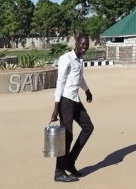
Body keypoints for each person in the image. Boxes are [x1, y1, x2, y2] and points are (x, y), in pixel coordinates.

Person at [50, 34, 94, 183]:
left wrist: (87, 90)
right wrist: (56, 107)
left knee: (88, 127)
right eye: (82, 44)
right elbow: (60, 81)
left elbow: (79, 78)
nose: (84, 47)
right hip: (65, 101)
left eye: (86, 45)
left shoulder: (80, 60)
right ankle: (59, 171)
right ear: (76, 43)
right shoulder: (66, 58)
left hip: (75, 99)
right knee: (66, 136)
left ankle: (70, 161)